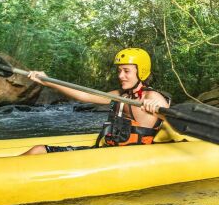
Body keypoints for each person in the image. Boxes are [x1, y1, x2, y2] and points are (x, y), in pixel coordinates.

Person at [22, 48, 170, 154]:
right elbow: (84, 95)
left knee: (38, 151)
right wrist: (48, 82)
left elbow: (175, 122)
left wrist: (161, 112)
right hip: (109, 152)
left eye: (126, 71)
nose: (120, 75)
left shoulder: (153, 98)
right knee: (38, 150)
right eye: (119, 71)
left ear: (141, 72)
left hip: (131, 159)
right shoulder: (121, 95)